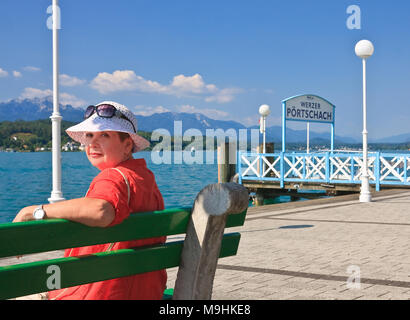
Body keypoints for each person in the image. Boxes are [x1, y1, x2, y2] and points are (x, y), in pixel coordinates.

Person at [13, 101, 166, 300]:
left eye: (104, 135)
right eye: (90, 135)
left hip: (99, 294)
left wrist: (33, 211)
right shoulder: (145, 179)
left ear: (127, 145)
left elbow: (101, 210)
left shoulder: (113, 177)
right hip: (145, 293)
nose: (93, 143)